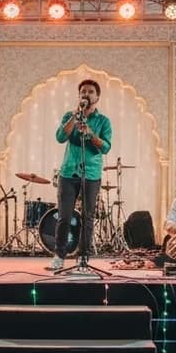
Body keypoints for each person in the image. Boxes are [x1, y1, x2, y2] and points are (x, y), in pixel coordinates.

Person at [50, 79, 113, 270]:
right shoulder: (69, 116)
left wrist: (91, 134)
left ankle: (83, 257)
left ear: (97, 97)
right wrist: (74, 117)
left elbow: (106, 147)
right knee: (64, 216)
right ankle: (59, 255)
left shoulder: (103, 121)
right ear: (79, 96)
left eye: (90, 91)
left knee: (88, 217)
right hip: (69, 172)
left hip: (91, 173)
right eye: (83, 91)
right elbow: (60, 137)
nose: (86, 94)